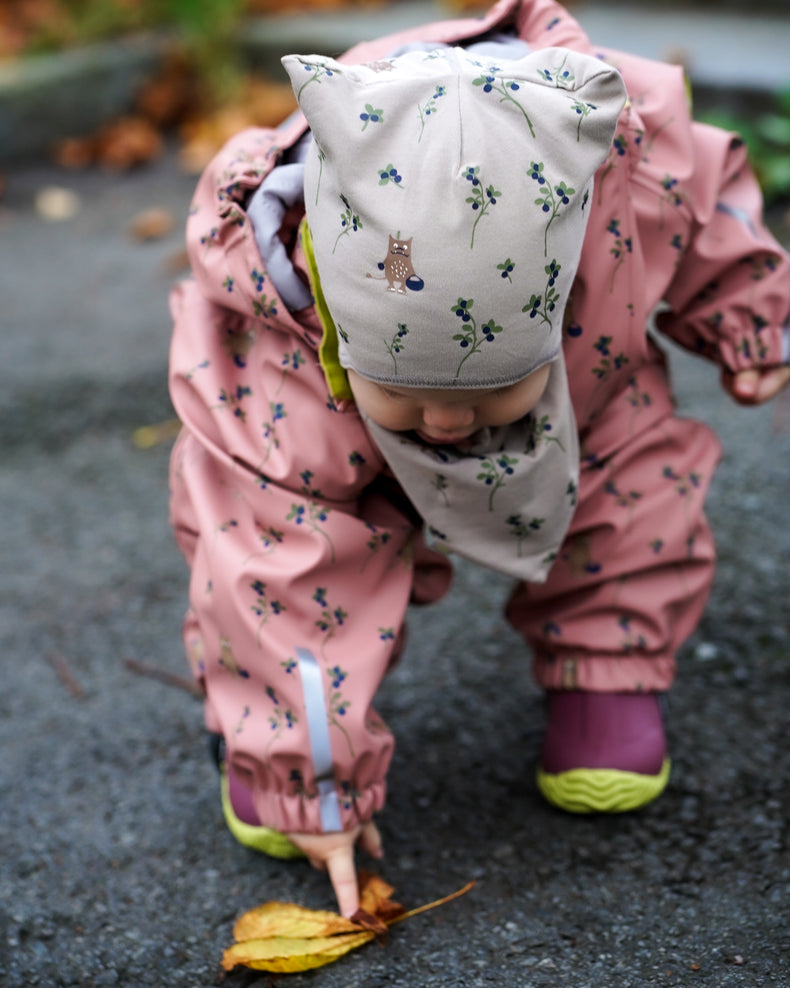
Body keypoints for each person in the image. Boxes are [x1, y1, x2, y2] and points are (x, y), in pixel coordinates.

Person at [168, 0, 790, 918]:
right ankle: (287, 766)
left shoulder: (622, 163)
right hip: (326, 406)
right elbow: (267, 574)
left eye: (488, 393)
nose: (450, 426)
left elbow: (701, 205)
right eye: (413, 395)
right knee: (287, 535)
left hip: (588, 369)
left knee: (632, 480)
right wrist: (307, 776)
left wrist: (750, 316)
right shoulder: (289, 334)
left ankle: (606, 670)